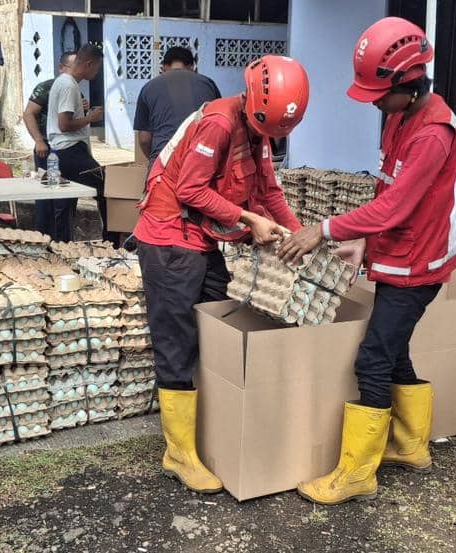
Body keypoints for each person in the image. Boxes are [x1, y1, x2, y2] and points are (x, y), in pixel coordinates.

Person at [276, 17, 456, 506]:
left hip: (419, 265)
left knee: (373, 359)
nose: (375, 102)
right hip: (397, 254)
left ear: (409, 82)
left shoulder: (434, 134)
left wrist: (324, 229)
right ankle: (409, 446)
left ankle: (358, 473)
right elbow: (387, 188)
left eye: (381, 93)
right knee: (395, 349)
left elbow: (396, 206)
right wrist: (365, 242)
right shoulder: (403, 117)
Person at [134, 55, 310, 494]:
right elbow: (190, 190)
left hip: (201, 238)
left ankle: (209, 426)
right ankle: (178, 453)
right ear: (251, 101)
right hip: (169, 235)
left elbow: (268, 188)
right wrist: (249, 220)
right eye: (265, 129)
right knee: (176, 335)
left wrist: (296, 232)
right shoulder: (218, 123)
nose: (267, 139)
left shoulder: (260, 129)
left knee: (213, 316)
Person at [45, 43, 110, 242]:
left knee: (66, 203)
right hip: (70, 149)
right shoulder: (68, 84)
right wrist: (91, 118)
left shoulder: (64, 82)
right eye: (97, 68)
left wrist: (82, 111)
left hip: (64, 150)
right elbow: (64, 124)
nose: (97, 73)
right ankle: (113, 241)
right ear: (89, 64)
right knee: (108, 188)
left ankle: (63, 245)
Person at [133, 46, 221, 166]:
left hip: (163, 162)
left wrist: (157, 162)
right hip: (200, 162)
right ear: (192, 66)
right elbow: (220, 126)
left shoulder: (148, 88)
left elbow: (144, 140)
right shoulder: (208, 84)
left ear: (164, 67)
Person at [23, 51, 78, 237]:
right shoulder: (47, 88)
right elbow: (29, 113)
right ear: (61, 68)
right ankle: (42, 241)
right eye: (72, 66)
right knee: (46, 199)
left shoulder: (74, 88)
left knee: (66, 199)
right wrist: (39, 140)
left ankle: (63, 243)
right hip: (46, 150)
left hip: (68, 151)